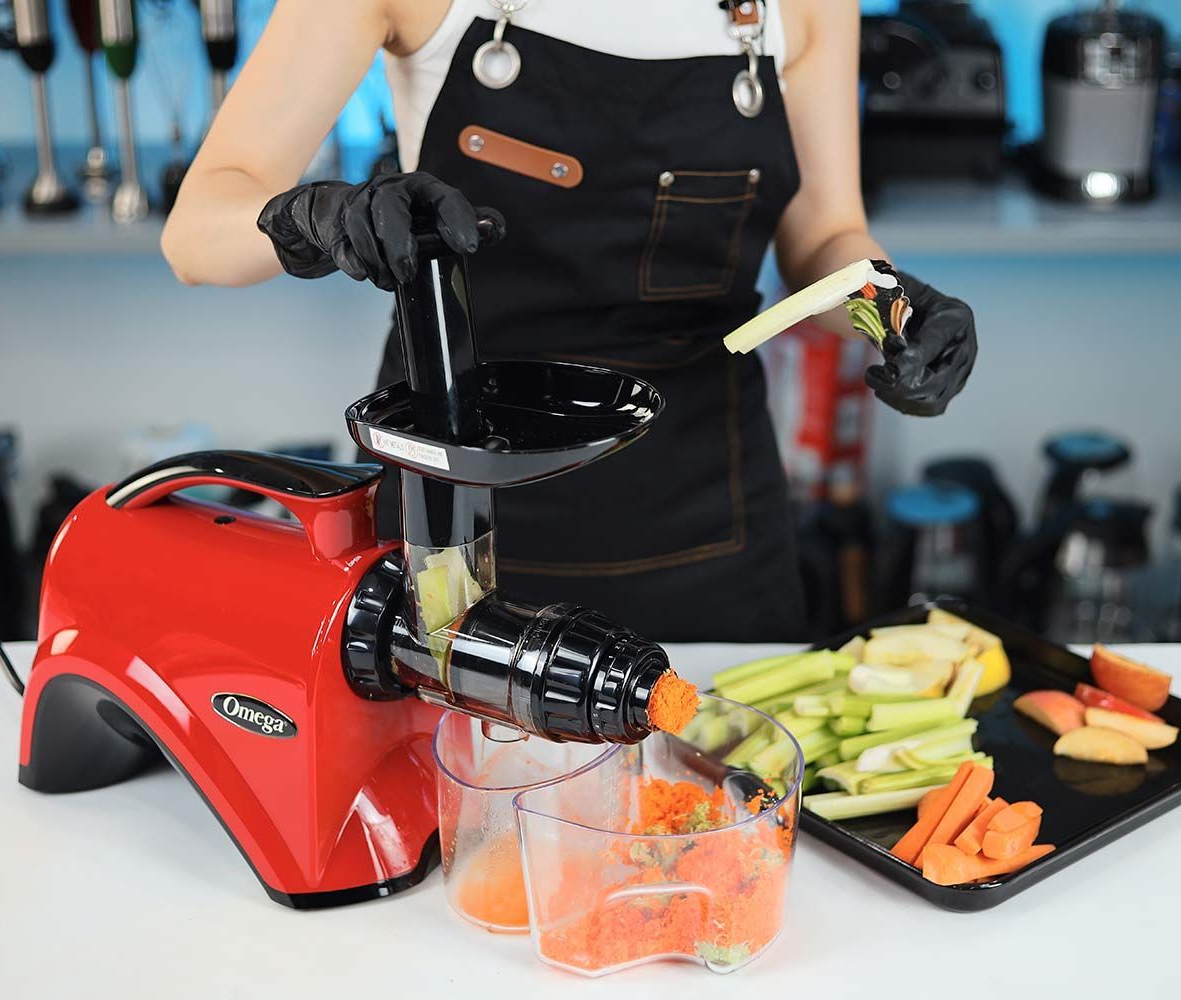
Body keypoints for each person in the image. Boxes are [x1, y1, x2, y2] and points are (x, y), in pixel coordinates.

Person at [161, 0, 977, 642]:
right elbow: (197, 233)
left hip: (709, 530)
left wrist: (895, 313)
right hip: (458, 526)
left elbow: (823, 237)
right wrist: (316, 216)